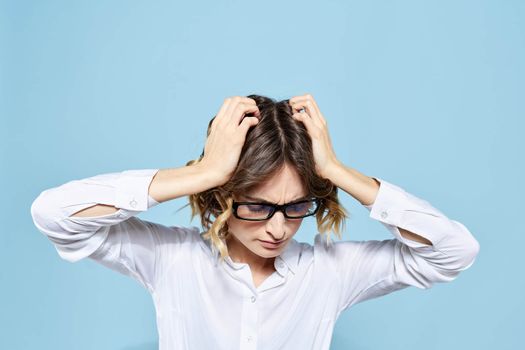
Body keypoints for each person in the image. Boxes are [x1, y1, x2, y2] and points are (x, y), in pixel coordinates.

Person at [30, 94, 480, 350]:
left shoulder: (330, 274)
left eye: (296, 207)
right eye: (258, 206)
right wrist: (202, 173)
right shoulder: (172, 259)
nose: (278, 229)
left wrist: (339, 172)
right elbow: (55, 215)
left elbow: (454, 252)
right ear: (223, 197)